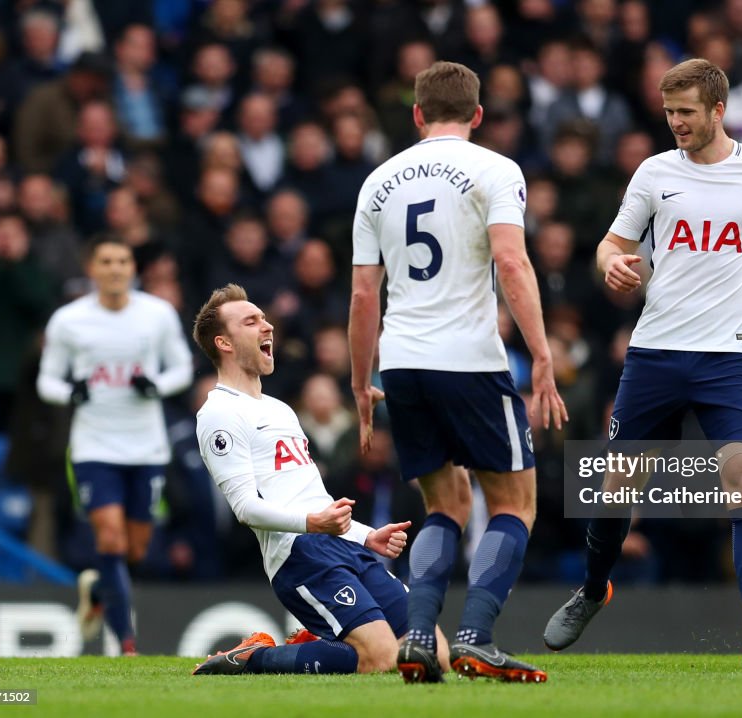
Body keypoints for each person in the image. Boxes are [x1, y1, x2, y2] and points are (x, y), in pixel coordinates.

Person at [542, 58, 742, 668]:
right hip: (657, 353)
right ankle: (593, 590)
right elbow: (612, 244)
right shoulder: (654, 173)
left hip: (734, 356)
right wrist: (609, 263)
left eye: (687, 113)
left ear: (718, 110)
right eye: (669, 112)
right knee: (618, 487)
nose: (675, 123)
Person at [349, 61, 567, 683]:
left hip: (403, 362)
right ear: (477, 115)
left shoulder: (377, 182)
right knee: (515, 503)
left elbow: (365, 296)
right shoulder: (496, 169)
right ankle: (473, 636)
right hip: (468, 360)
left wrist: (362, 384)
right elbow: (512, 262)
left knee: (444, 504)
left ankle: (419, 638)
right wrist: (543, 355)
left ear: (416, 114)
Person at [190, 284, 450, 676]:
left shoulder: (280, 409)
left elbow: (312, 496)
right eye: (252, 321)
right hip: (299, 555)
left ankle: (317, 644)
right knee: (380, 659)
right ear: (224, 342)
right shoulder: (219, 414)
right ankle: (253, 658)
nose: (268, 326)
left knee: (434, 655)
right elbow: (245, 508)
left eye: (264, 317)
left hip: (341, 544)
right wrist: (312, 524)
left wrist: (366, 536)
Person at [37, 236, 194, 655]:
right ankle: (126, 642)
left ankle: (96, 593)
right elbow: (47, 380)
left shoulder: (157, 314)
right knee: (110, 541)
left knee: (136, 549)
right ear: (92, 268)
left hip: (147, 448)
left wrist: (156, 384)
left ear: (132, 268)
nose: (115, 268)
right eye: (106, 261)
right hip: (93, 446)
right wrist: (71, 392)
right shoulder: (69, 320)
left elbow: (182, 367)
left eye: (122, 261)